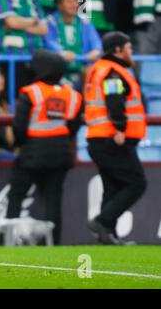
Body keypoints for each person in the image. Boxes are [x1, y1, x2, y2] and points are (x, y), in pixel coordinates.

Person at [6, 50, 82, 245]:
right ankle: (53, 243)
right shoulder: (73, 94)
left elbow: (19, 126)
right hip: (61, 152)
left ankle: (8, 240)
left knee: (17, 195)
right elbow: (73, 125)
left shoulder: (32, 92)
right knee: (53, 199)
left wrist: (19, 145)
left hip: (32, 153)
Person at [85, 32, 147, 245]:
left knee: (112, 187)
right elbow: (114, 100)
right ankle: (102, 221)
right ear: (118, 50)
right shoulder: (112, 72)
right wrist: (120, 128)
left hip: (100, 138)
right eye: (129, 48)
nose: (132, 53)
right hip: (112, 138)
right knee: (137, 183)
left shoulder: (100, 69)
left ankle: (107, 236)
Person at [0, 0, 48, 93]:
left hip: (35, 58)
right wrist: (34, 21)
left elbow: (44, 29)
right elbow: (12, 22)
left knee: (35, 98)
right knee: (16, 97)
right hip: (13, 58)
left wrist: (19, 24)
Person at [45, 0, 102, 90]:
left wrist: (96, 51)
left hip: (81, 67)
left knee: (91, 71)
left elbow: (96, 43)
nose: (74, 5)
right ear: (60, 5)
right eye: (69, 2)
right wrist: (60, 52)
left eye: (76, 2)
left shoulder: (85, 22)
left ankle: (88, 104)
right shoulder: (50, 21)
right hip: (58, 68)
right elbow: (48, 41)